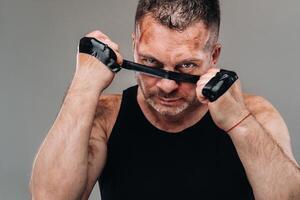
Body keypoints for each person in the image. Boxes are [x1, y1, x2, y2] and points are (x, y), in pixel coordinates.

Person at [30, 0, 300, 199]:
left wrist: (239, 123)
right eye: (150, 63)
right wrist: (84, 85)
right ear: (134, 46)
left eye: (186, 67)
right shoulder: (105, 117)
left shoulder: (256, 114)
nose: (168, 85)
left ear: (214, 56)